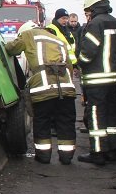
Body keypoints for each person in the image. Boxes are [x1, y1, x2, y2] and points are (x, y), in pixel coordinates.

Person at [5, 20, 77, 164]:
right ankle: (66, 157)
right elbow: (69, 66)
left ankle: (43, 156)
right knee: (66, 121)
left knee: (42, 121)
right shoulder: (58, 39)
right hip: (66, 88)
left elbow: (11, 48)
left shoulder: (28, 34)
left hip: (43, 88)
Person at [76, 0, 116, 166]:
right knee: (111, 114)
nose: (87, 15)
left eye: (88, 11)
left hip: (96, 80)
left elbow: (88, 51)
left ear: (93, 8)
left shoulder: (95, 24)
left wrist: (80, 62)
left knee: (96, 115)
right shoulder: (115, 22)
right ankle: (112, 150)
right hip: (112, 78)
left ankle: (98, 153)